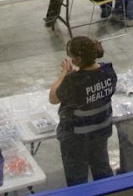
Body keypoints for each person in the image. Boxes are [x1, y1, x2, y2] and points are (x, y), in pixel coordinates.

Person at [50, 35, 118, 185]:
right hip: (101, 130)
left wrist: (64, 73)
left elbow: (53, 98)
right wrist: (78, 72)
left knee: (77, 177)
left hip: (76, 137)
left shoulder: (73, 81)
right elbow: (92, 83)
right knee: (101, 168)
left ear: (79, 59)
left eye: (71, 56)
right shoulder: (108, 71)